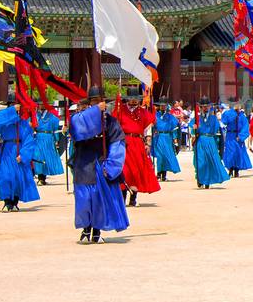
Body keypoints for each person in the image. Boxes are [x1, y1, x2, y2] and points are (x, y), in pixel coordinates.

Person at [69, 87, 129, 243]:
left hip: (100, 162)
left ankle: (97, 230)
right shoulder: (80, 118)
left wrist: (111, 166)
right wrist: (95, 111)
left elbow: (118, 144)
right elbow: (76, 129)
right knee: (84, 198)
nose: (98, 104)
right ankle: (85, 228)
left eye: (99, 102)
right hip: (83, 162)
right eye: (94, 102)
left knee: (98, 198)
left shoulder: (110, 121)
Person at [0, 100, 39, 212]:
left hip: (18, 150)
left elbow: (29, 141)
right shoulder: (4, 123)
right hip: (6, 151)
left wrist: (23, 155)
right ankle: (7, 201)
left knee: (17, 177)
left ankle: (14, 201)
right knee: (5, 177)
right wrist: (11, 110)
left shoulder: (24, 123)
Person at [111, 97, 161, 206]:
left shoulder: (143, 112)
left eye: (136, 100)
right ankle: (122, 198)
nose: (134, 102)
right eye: (131, 99)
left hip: (138, 143)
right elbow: (113, 125)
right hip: (123, 143)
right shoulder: (120, 110)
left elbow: (148, 128)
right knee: (124, 171)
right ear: (127, 100)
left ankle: (133, 198)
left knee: (136, 170)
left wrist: (148, 143)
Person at [193, 102, 230, 188]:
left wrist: (216, 142)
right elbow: (193, 129)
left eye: (207, 106)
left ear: (209, 107)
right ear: (201, 107)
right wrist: (194, 128)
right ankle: (200, 178)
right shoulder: (197, 118)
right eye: (204, 106)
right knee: (201, 161)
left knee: (210, 161)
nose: (205, 108)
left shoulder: (213, 118)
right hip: (201, 141)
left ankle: (207, 181)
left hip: (210, 140)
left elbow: (216, 130)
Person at [33, 104, 65, 184]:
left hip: (48, 138)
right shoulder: (36, 115)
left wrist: (56, 139)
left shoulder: (51, 116)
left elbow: (55, 128)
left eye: (42, 104)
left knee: (46, 157)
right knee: (38, 156)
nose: (41, 106)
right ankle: (39, 176)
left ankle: (43, 177)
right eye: (39, 104)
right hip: (38, 137)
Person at [221, 103, 253, 178]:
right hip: (230, 136)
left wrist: (241, 136)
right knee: (230, 152)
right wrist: (231, 112)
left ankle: (236, 170)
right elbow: (224, 121)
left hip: (238, 136)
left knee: (238, 153)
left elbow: (246, 127)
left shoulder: (242, 116)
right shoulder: (229, 113)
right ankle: (230, 168)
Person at [151, 102, 182, 180]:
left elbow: (175, 127)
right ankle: (158, 173)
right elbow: (152, 126)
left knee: (165, 156)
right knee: (160, 156)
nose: (162, 107)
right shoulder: (155, 115)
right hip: (158, 137)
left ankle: (164, 175)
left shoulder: (170, 116)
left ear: (166, 106)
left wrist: (175, 139)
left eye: (164, 105)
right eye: (161, 105)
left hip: (167, 137)